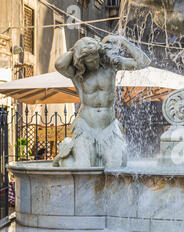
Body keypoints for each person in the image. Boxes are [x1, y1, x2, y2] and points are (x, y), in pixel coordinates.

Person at [53, 35, 151, 168]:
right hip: (85, 125)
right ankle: (64, 157)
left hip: (109, 127)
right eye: (89, 61)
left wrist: (122, 42)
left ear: (100, 53)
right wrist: (77, 48)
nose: (93, 63)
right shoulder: (77, 74)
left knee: (116, 166)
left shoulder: (112, 65)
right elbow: (59, 64)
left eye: (95, 58)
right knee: (83, 166)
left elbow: (144, 62)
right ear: (82, 62)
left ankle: (69, 154)